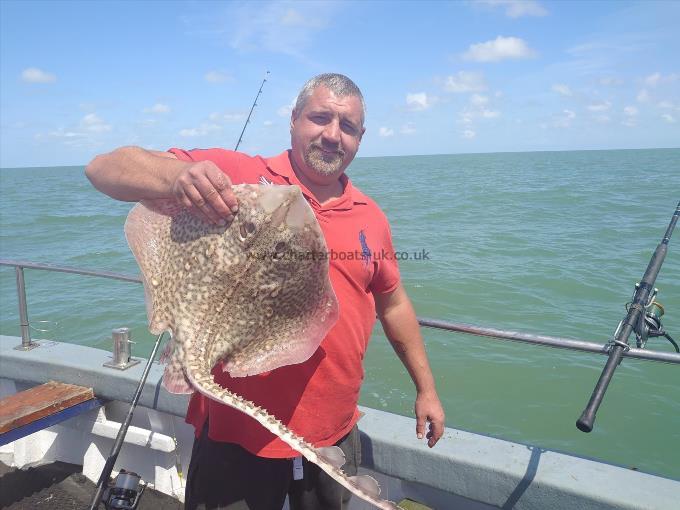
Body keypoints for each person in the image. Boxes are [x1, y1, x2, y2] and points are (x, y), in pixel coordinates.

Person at [86, 73, 445, 510]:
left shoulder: (371, 216)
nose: (332, 135)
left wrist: (426, 389)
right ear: (293, 121)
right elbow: (103, 168)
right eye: (320, 118)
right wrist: (180, 176)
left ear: (360, 137)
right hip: (235, 431)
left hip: (332, 430)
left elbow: (393, 302)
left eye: (347, 126)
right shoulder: (236, 175)